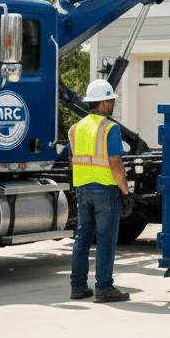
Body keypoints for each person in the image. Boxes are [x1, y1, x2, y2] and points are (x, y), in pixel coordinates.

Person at [68, 79, 131, 303]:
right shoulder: (109, 128)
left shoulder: (75, 129)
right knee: (105, 239)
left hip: (82, 190)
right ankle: (104, 288)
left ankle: (78, 287)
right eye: (110, 100)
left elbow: (74, 160)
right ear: (103, 103)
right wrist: (125, 190)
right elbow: (115, 161)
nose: (112, 103)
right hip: (105, 190)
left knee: (83, 238)